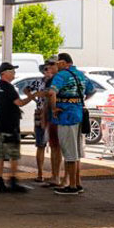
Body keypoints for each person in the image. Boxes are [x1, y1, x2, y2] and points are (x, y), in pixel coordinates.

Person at [47, 52, 95, 195]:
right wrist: (79, 101)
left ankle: (72, 186)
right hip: (79, 115)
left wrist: (54, 108)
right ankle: (78, 183)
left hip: (66, 116)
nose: (56, 66)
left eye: (57, 63)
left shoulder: (61, 76)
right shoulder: (81, 75)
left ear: (63, 62)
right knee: (76, 152)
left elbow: (51, 93)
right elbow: (92, 90)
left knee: (69, 152)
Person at [0, 62, 35, 193]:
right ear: (4, 73)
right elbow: (19, 103)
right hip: (10, 127)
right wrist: (31, 97)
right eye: (12, 71)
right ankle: (13, 181)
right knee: (13, 155)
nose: (14, 73)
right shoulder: (9, 88)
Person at [27, 58, 61, 186]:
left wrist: (38, 95)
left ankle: (55, 175)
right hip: (41, 113)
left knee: (55, 146)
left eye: (50, 68)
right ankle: (40, 174)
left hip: (52, 115)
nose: (47, 71)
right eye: (45, 69)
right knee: (40, 144)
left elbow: (47, 95)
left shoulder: (57, 81)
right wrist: (33, 98)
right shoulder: (39, 82)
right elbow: (27, 89)